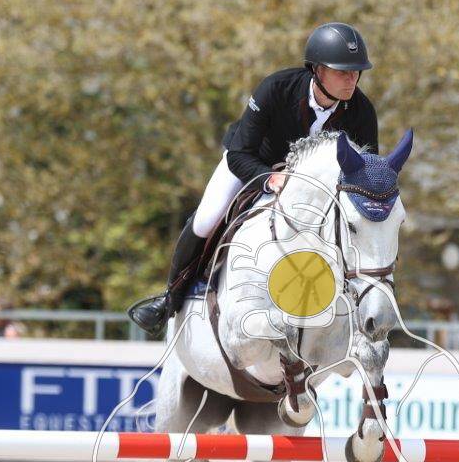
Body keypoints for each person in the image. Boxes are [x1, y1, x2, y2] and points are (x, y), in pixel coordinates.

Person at [128, 22, 380, 335]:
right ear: (317, 70)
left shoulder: (362, 112)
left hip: (313, 191)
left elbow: (365, 172)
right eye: (342, 72)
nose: (351, 79)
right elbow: (238, 154)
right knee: (207, 219)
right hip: (253, 164)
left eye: (356, 72)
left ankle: (354, 311)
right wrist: (268, 178)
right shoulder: (276, 89)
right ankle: (170, 298)